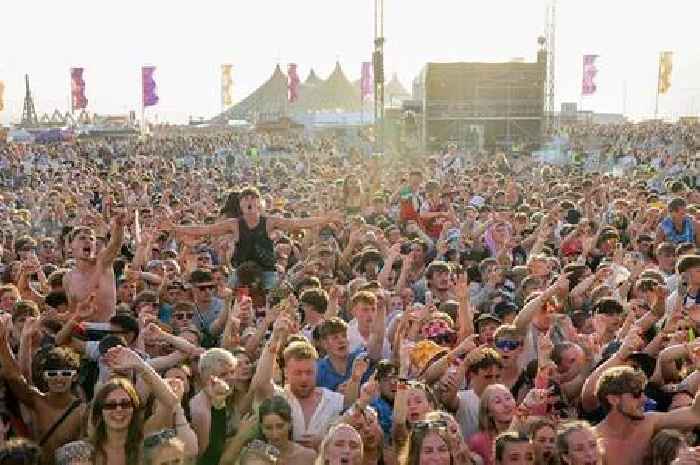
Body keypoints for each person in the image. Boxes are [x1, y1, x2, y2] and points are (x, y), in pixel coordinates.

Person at [63, 215, 126, 322]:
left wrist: (119, 227)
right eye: (82, 238)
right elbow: (73, 311)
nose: (88, 241)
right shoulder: (67, 278)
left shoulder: (103, 263)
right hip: (83, 331)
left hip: (108, 329)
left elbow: (115, 245)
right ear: (70, 247)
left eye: (91, 239)